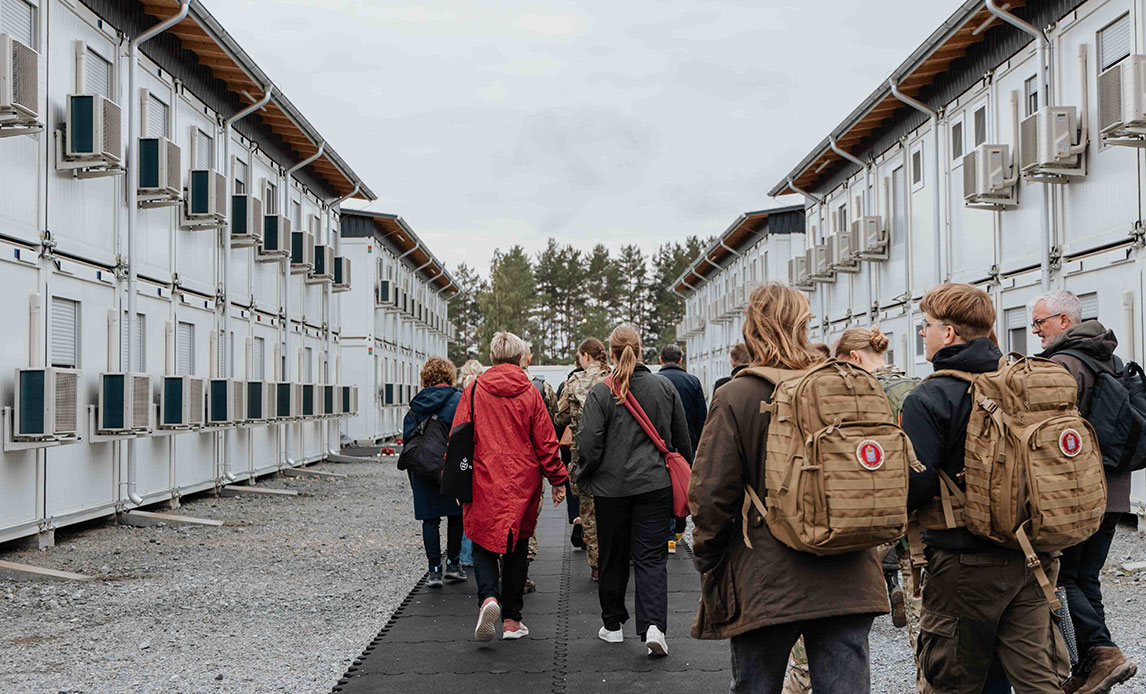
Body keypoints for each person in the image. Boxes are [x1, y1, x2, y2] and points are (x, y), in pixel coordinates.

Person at [689, 282, 888, 693]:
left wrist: (709, 554)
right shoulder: (847, 384)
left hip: (768, 573)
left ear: (752, 328)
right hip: (849, 568)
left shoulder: (737, 395)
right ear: (804, 324)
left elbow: (711, 494)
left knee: (757, 684)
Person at [903, 282, 1068, 692]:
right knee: (1038, 682)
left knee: (953, 682)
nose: (923, 333)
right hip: (1033, 556)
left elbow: (916, 485)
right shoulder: (1024, 381)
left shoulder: (929, 397)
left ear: (950, 333)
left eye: (926, 325)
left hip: (963, 565)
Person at [1030, 289, 1137, 694]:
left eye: (1041, 321)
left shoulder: (1063, 365)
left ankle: (1102, 653)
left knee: (1062, 578)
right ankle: (1096, 664)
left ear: (1065, 322)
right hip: (1114, 493)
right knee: (1086, 579)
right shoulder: (1108, 357)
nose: (1036, 329)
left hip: (1077, 498)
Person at [577, 324, 692, 657]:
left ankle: (613, 626)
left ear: (610, 353)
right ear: (642, 351)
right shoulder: (664, 388)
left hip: (610, 489)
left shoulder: (601, 392)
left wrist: (587, 475)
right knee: (651, 558)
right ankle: (654, 625)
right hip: (654, 485)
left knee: (613, 556)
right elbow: (681, 441)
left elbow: (589, 443)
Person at [452, 332, 567, 642]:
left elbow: (458, 436)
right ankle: (512, 621)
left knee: (482, 541)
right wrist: (558, 479)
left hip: (483, 477)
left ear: (492, 357)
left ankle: (489, 598)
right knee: (517, 546)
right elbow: (546, 442)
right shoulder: (530, 393)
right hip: (522, 480)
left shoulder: (474, 390)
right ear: (520, 358)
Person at [403, 357, 465, 588]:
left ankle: (434, 570)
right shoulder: (459, 400)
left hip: (421, 467)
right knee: (456, 516)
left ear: (425, 378)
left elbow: (409, 436)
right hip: (451, 466)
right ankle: (454, 564)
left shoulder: (416, 403)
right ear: (450, 375)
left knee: (430, 519)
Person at [554, 338, 611, 581]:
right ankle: (619, 560)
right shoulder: (617, 378)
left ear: (586, 357)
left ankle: (597, 566)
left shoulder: (575, 381)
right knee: (616, 511)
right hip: (616, 457)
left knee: (588, 512)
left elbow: (560, 417)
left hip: (585, 457)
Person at [657, 343, 706, 553]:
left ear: (660, 360)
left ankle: (668, 535)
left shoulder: (655, 382)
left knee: (665, 489)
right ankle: (680, 527)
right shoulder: (693, 382)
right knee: (685, 487)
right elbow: (701, 418)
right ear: (680, 360)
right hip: (688, 446)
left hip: (662, 446)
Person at [524, 345, 559, 592]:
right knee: (528, 518)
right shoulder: (541, 387)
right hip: (531, 465)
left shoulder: (480, 387)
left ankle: (496, 578)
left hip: (493, 467)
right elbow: (552, 426)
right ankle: (521, 573)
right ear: (528, 358)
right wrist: (556, 474)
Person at [455, 359, 485, 568]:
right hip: (482, 458)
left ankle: (464, 556)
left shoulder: (460, 398)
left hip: (463, 459)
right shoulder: (484, 396)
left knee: (466, 508)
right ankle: (481, 552)